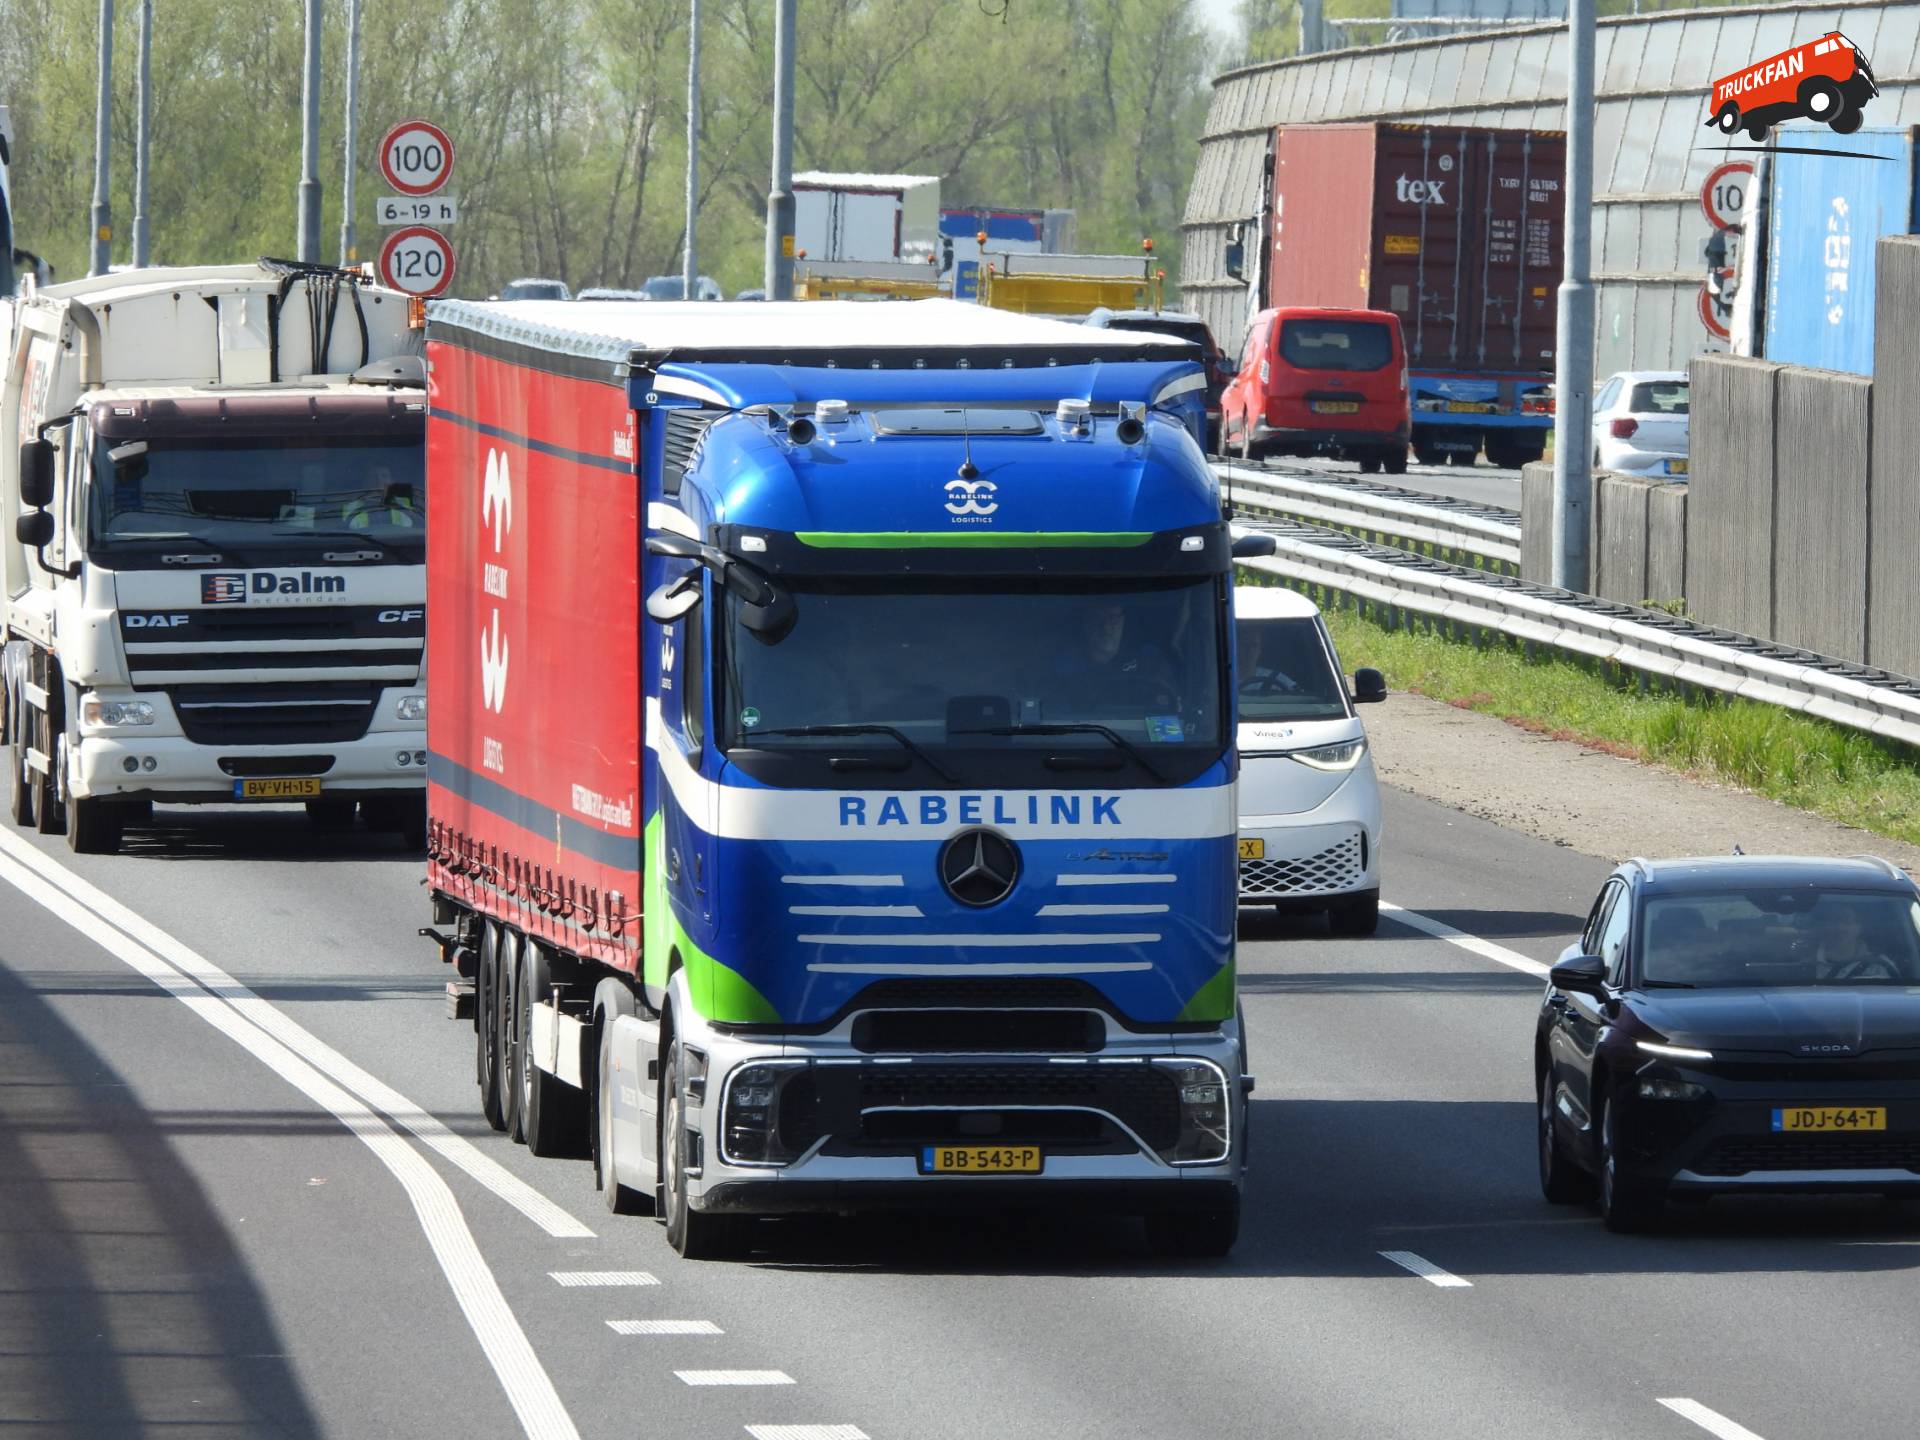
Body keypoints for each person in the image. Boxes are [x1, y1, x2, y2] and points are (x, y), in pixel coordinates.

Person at [1054, 599, 1178, 709]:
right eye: (1097, 618)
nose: (1106, 628)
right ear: (1084, 622)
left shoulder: (1149, 658)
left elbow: (1173, 703)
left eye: (1113, 618)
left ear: (1124, 620)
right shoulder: (1065, 664)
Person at [1816, 903, 1900, 982]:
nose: (1840, 928)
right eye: (1833, 922)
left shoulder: (1880, 965)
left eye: (1847, 922)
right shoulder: (1806, 965)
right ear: (1824, 927)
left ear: (1859, 928)